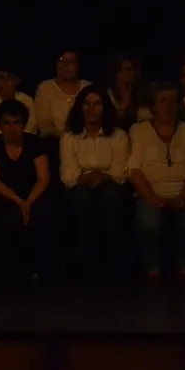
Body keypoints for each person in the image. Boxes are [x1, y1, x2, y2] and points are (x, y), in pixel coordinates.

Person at [128, 83, 185, 282]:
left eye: (173, 101)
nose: (168, 106)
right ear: (153, 106)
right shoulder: (138, 131)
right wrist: (152, 198)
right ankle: (152, 268)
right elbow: (134, 170)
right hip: (150, 193)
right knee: (148, 222)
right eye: (163, 101)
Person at [59, 84, 131, 280]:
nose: (91, 109)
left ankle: (114, 265)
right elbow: (69, 177)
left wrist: (100, 177)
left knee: (110, 196)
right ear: (80, 107)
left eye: (97, 104)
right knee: (81, 199)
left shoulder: (118, 135)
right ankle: (83, 266)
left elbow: (120, 174)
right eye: (87, 104)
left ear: (105, 108)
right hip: (80, 187)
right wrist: (91, 177)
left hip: (110, 186)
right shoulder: (69, 137)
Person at [0, 99, 56, 283]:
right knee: (6, 214)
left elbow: (43, 178)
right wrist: (18, 201)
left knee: (42, 212)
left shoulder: (34, 143)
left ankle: (40, 269)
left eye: (17, 122)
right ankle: (10, 271)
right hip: (5, 194)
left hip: (33, 193)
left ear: (24, 124)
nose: (12, 128)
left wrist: (28, 202)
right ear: (0, 125)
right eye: (7, 122)